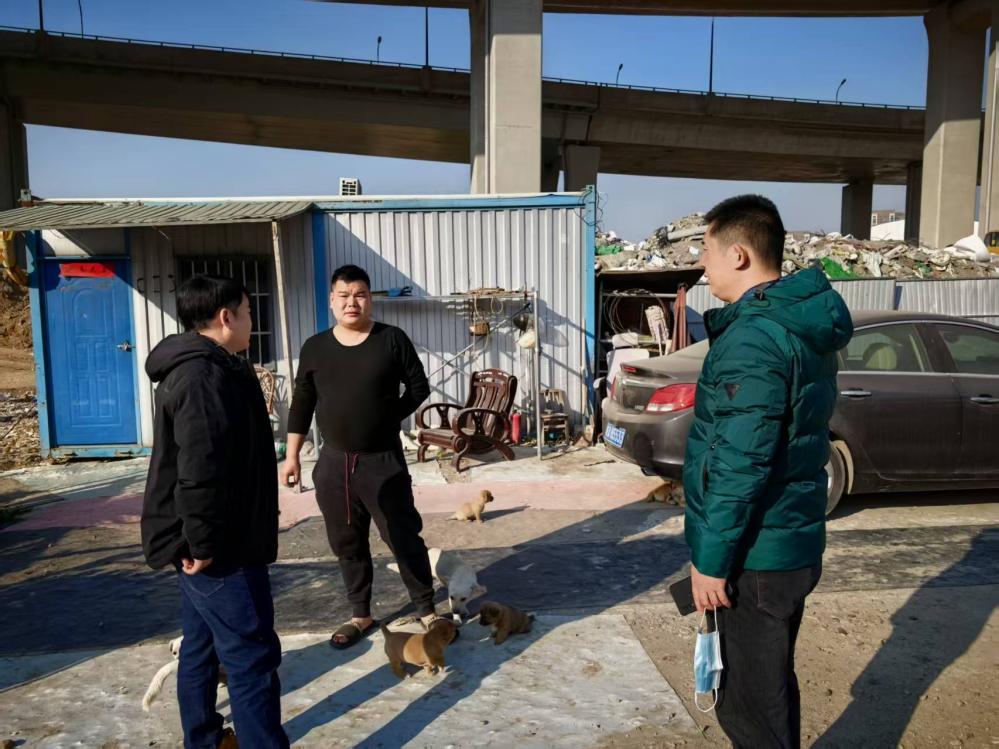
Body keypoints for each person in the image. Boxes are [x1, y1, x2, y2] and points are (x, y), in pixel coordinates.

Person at [683, 195, 853, 748]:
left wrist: (711, 563)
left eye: (705, 250)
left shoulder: (755, 336)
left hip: (757, 555)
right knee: (769, 687)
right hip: (786, 544)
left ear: (738, 255)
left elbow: (740, 465)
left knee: (751, 706)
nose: (701, 263)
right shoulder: (792, 322)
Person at [142, 275, 289, 749]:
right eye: (247, 312)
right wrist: (204, 543)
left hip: (210, 538)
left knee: (201, 647)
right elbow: (200, 469)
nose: (251, 320)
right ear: (226, 316)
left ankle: (205, 740)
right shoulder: (202, 376)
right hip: (221, 547)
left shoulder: (213, 367)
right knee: (252, 657)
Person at [280, 264, 438, 648]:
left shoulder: (391, 339)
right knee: (346, 541)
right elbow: (302, 403)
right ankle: (360, 613)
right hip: (334, 464)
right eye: (344, 295)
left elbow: (418, 387)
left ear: (370, 299)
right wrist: (292, 455)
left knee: (402, 536)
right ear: (332, 301)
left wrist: (388, 416)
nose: (352, 302)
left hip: (382, 461)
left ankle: (427, 609)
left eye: (360, 294)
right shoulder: (315, 347)